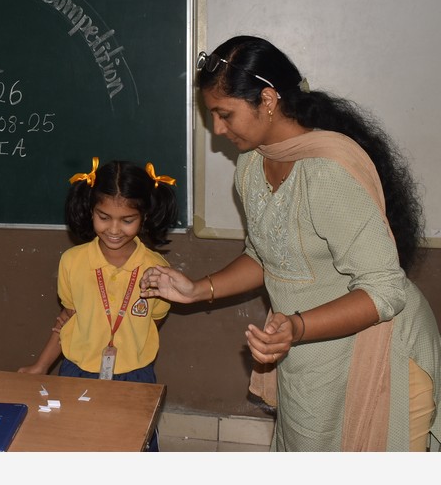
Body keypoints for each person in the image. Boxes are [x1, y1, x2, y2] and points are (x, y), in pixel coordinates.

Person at [139, 35, 441, 452]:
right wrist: (197, 289)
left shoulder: (328, 173)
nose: (218, 130)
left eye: (225, 115)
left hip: (377, 353)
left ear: (267, 99)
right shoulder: (251, 164)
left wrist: (296, 326)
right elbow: (268, 256)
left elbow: (385, 290)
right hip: (308, 354)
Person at [19, 157, 177, 449]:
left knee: (133, 446)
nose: (114, 229)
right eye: (104, 217)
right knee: (77, 442)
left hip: (136, 374)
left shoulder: (157, 269)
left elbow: (153, 319)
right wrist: (41, 365)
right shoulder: (72, 262)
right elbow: (68, 316)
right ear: (89, 210)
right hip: (77, 369)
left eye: (127, 220)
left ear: (144, 216)